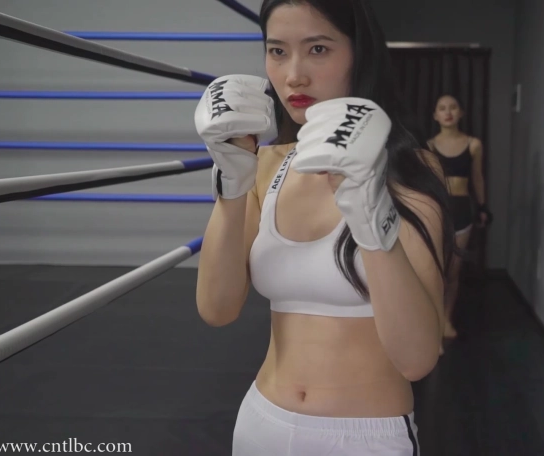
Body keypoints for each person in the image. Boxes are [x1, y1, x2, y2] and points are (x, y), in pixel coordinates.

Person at [193, 0, 455, 454]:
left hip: (366, 436)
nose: (294, 75)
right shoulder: (266, 164)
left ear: (359, 54)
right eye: (277, 51)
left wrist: (371, 215)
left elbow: (416, 360)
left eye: (318, 49)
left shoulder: (411, 169)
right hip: (261, 423)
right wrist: (231, 186)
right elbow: (216, 309)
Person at [427, 94, 490, 340]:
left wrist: (483, 207)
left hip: (462, 210)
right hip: (437, 210)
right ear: (435, 115)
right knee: (435, 270)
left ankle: (446, 319)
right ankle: (432, 324)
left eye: (453, 107)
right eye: (442, 108)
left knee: (453, 271)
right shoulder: (429, 146)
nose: (448, 112)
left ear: (461, 113)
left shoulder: (473, 144)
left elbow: (477, 178)